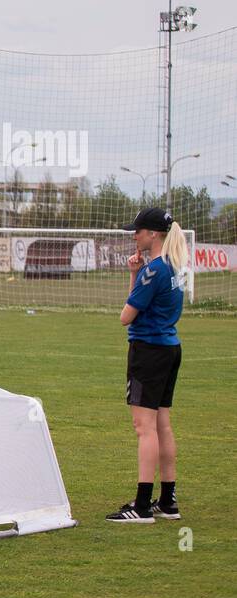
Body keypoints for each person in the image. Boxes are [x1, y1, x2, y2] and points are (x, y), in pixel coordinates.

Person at [107, 207, 187, 524]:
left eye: (138, 231)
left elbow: (127, 317)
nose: (134, 236)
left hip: (148, 351)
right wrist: (133, 274)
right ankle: (167, 501)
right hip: (169, 348)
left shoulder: (153, 270)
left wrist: (137, 276)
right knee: (162, 425)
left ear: (153, 234)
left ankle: (141, 506)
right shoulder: (173, 265)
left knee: (144, 428)